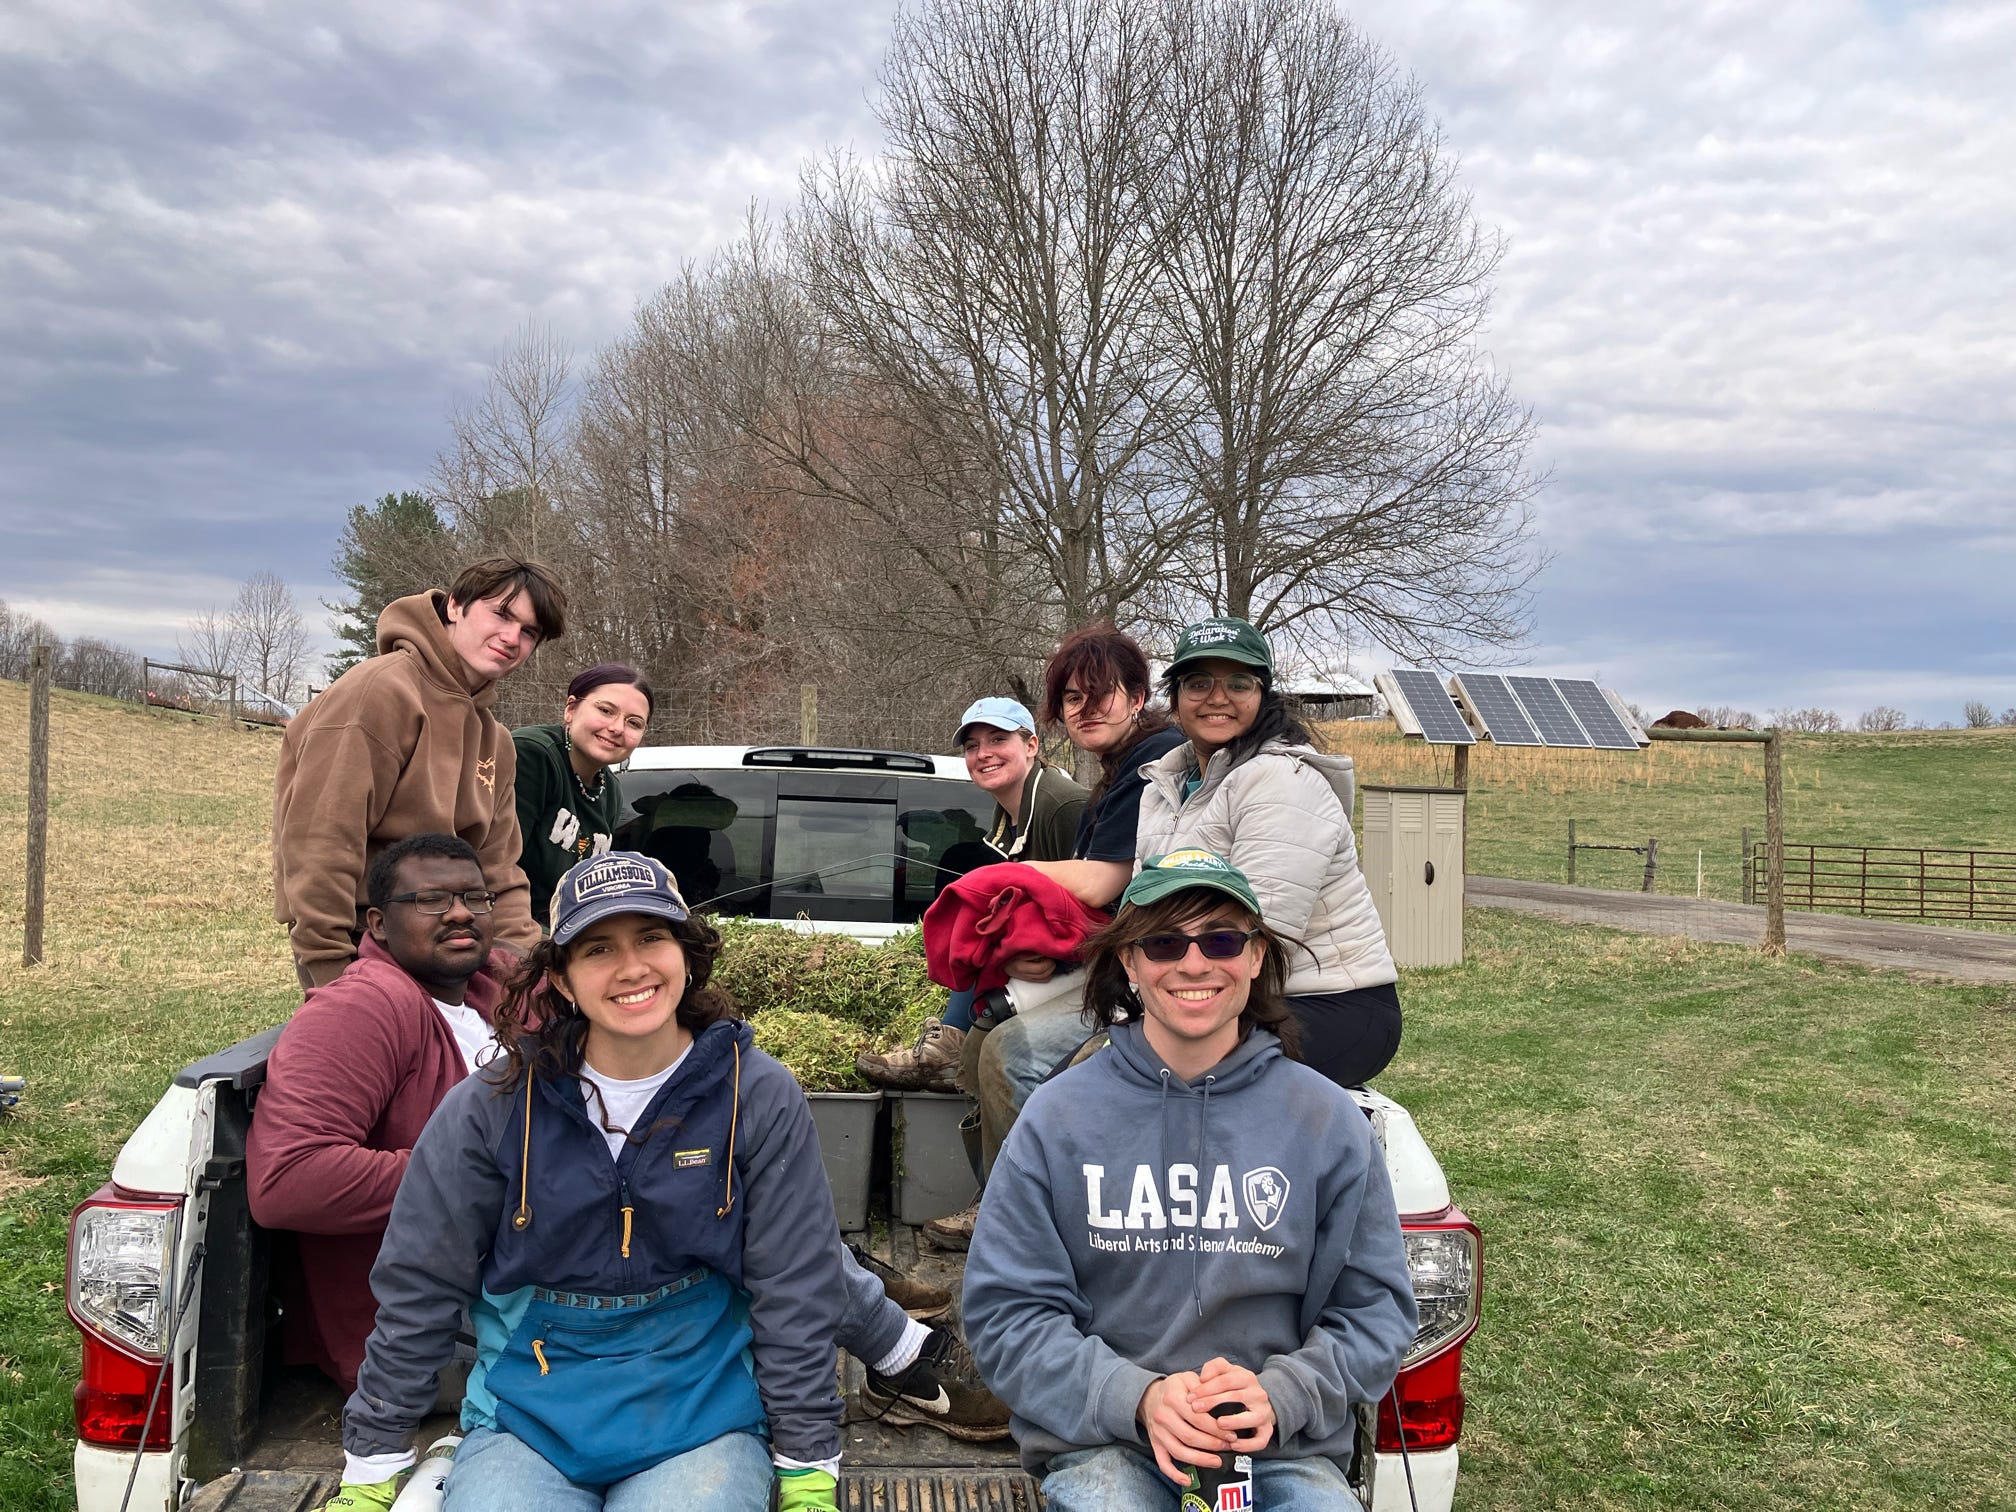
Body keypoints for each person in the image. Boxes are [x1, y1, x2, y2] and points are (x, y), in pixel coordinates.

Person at [319, 852, 846, 1512]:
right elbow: (421, 1280)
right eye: (598, 949)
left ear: (687, 956)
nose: (631, 968)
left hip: (700, 1415)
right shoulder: (492, 1105)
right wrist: (373, 1462)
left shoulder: (756, 1093)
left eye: (651, 938)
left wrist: (807, 1464)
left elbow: (795, 1283)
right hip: (529, 1418)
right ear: (562, 980)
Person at [961, 852, 1418, 1509]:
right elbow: (1006, 1314)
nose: (1195, 964)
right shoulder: (1057, 1119)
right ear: (1129, 961)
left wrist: (1284, 1394)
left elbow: (1375, 1310)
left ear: (1255, 957)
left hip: (1281, 1450)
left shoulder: (1326, 1121)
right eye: (1164, 943)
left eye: (1222, 940)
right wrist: (1137, 1396)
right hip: (1107, 1442)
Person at [931, 626, 1186, 1245]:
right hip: (1116, 961)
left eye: (1102, 694)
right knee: (978, 1047)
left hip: (1161, 971)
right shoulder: (1116, 773)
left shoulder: (1152, 764)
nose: (1086, 708)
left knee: (1011, 1054)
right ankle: (999, 1200)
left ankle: (1041, 1228)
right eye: (1073, 698)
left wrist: (997, 879)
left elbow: (1100, 883)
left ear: (1137, 697)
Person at [247, 834, 512, 1392]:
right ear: (379, 924)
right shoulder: (361, 1009)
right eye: (430, 900)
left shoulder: (494, 988)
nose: (460, 913)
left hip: (519, 1277)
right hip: (425, 1329)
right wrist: (494, 1175)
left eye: (475, 897)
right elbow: (287, 1180)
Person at [273, 558, 566, 990]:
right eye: (501, 614)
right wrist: (330, 969)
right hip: (367, 940)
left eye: (529, 632)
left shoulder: (496, 741)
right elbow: (322, 843)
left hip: (453, 946)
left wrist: (528, 968)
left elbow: (498, 869)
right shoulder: (378, 693)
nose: (512, 638)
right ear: (455, 606)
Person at [1136, 616, 1401, 1088]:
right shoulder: (1160, 789)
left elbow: (1264, 930)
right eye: (1198, 683)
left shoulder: (1282, 781)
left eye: (1239, 683)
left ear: (1263, 696)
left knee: (1144, 1080)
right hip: (1208, 987)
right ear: (1175, 699)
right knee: (1084, 1074)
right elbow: (1141, 912)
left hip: (1324, 1002)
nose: (1218, 697)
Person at [857, 697, 1087, 1091]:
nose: (983, 754)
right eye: (972, 745)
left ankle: (949, 1046)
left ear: (1031, 745)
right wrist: (1009, 957)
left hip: (1091, 975)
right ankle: (950, 1042)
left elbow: (1097, 909)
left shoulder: (1064, 806)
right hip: (1047, 960)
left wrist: (1028, 959)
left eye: (998, 739)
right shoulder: (1007, 815)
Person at [514, 664, 654, 930]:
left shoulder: (610, 789)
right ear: (571, 709)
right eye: (606, 710)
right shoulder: (532, 755)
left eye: (634, 723)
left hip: (567, 931)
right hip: (513, 932)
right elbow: (495, 869)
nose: (617, 728)